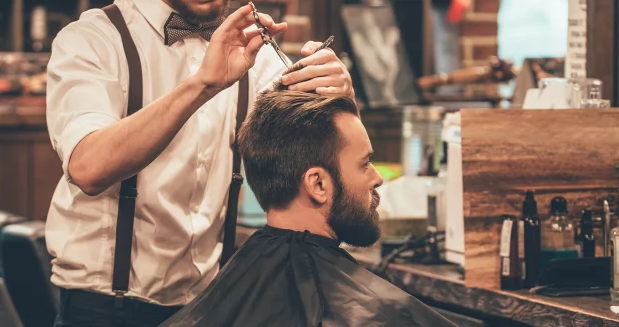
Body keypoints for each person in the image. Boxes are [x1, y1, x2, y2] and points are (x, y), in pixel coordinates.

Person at [43, 0, 353, 325]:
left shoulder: (255, 56)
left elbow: (327, 172)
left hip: (212, 307)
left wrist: (342, 103)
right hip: (103, 309)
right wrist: (202, 85)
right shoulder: (91, 41)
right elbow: (89, 167)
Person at [160, 90, 458, 327]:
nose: (377, 178)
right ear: (318, 184)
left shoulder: (225, 296)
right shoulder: (380, 312)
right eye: (365, 164)